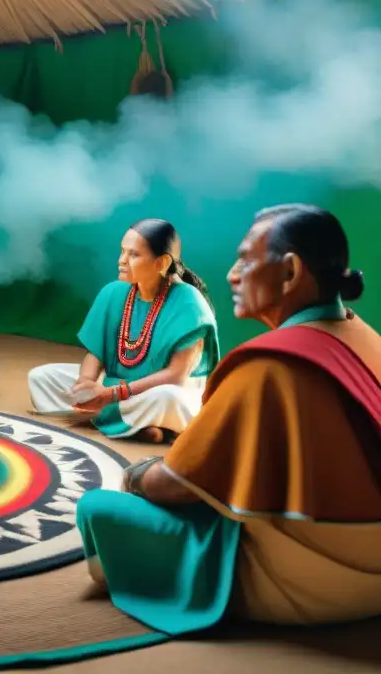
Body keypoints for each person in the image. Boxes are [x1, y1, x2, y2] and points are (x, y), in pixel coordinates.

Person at [75, 204, 381, 635]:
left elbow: (175, 485)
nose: (232, 275)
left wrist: (135, 476)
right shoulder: (368, 338)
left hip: (316, 581)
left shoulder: (266, 366)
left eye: (245, 261)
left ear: (290, 272)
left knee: (98, 506)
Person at [27, 219, 219, 442]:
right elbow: (96, 352)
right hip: (115, 382)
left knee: (169, 400)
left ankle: (113, 419)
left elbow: (176, 375)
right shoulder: (114, 292)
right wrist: (86, 386)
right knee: (41, 378)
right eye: (122, 252)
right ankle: (137, 425)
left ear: (162, 263)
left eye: (134, 255)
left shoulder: (190, 304)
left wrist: (110, 395)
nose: (121, 261)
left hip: (161, 390)